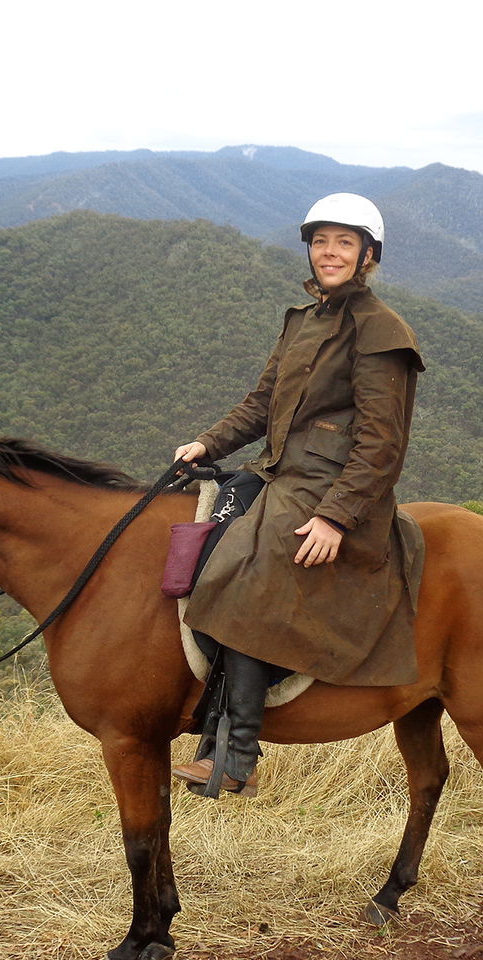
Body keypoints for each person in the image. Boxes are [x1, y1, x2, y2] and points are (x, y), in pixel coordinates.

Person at [171, 193, 426, 797]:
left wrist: (337, 517)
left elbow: (382, 443)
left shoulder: (382, 332)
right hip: (280, 471)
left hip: (334, 489)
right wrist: (208, 444)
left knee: (250, 571)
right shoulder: (303, 320)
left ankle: (237, 755)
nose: (329, 252)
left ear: (367, 255)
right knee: (203, 541)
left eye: (344, 242)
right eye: (320, 241)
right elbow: (263, 403)